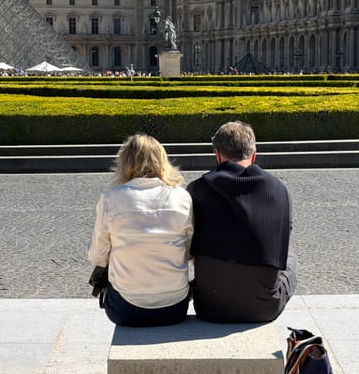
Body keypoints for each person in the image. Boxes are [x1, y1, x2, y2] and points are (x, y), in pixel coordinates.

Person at [187, 120, 297, 323]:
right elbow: (281, 242)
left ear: (217, 155)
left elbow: (188, 245)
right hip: (263, 308)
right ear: (253, 154)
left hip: (209, 305)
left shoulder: (196, 189)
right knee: (290, 258)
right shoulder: (279, 190)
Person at [88, 133, 193, 326]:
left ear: (124, 163)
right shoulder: (182, 197)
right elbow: (188, 250)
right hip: (175, 306)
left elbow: (97, 255)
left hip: (126, 308)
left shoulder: (111, 199)